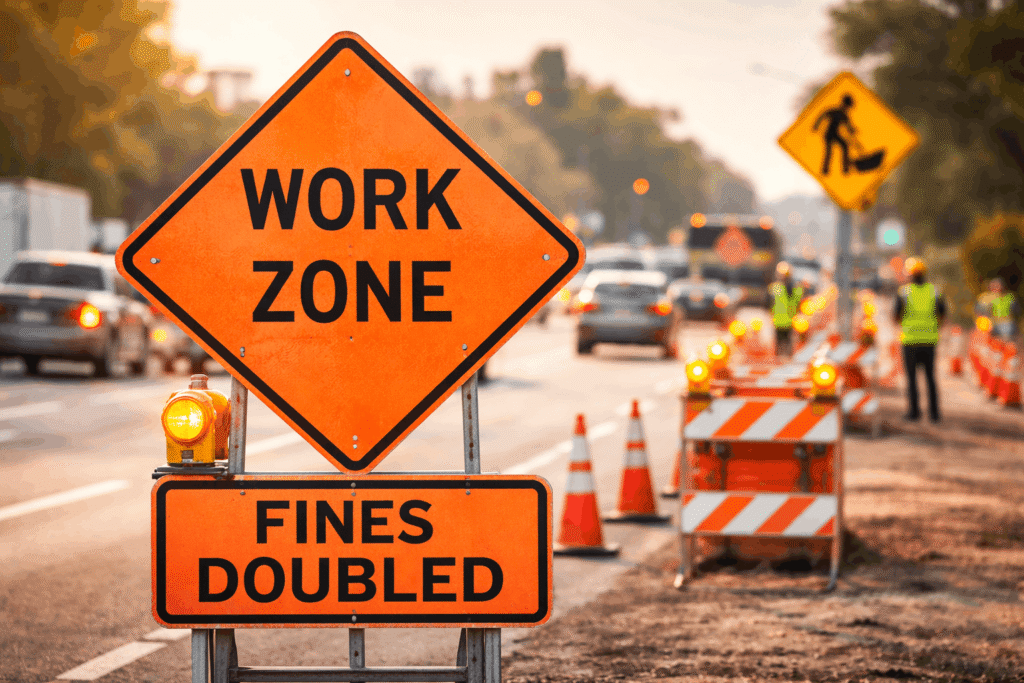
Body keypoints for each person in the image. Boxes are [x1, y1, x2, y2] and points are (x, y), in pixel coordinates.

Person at [893, 258, 945, 423]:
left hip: (910, 341)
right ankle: (934, 413)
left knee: (912, 378)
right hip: (929, 341)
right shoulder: (934, 291)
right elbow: (942, 313)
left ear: (910, 275)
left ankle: (914, 412)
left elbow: (896, 315)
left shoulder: (904, 292)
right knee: (930, 377)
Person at [813, 94, 856, 176]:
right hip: (829, 134)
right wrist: (816, 125)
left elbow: (848, 126)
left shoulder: (844, 115)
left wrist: (852, 130)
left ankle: (845, 168)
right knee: (829, 151)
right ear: (844, 104)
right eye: (847, 106)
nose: (847, 108)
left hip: (835, 134)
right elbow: (823, 115)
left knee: (844, 146)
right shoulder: (835, 111)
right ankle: (825, 170)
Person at [770, 262, 804, 357]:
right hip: (783, 320)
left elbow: (799, 302)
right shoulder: (778, 287)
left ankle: (785, 358)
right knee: (782, 345)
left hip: (787, 320)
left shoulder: (777, 287)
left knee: (785, 345)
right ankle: (783, 358)